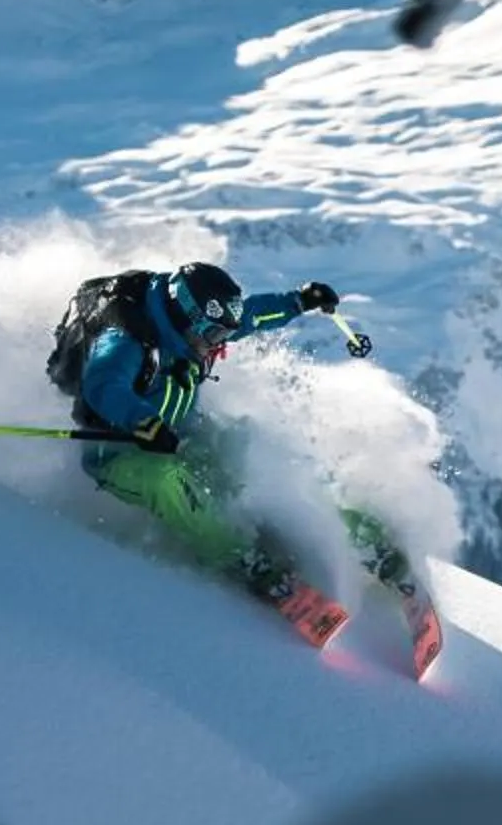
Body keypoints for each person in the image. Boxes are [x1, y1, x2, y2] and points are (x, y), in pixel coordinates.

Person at [45, 260, 378, 614]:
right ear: (189, 319)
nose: (218, 346)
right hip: (120, 450)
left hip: (178, 432)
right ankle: (238, 558)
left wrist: (297, 301)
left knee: (244, 452)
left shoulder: (197, 325)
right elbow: (104, 385)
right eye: (214, 336)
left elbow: (249, 317)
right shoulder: (125, 339)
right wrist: (143, 423)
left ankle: (345, 530)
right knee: (166, 481)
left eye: (222, 335)